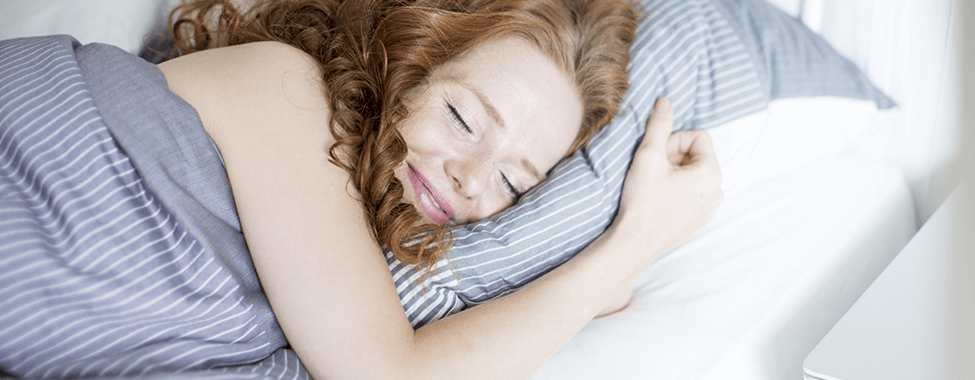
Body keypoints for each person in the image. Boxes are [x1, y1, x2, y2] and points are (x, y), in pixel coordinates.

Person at [0, 0, 721, 378]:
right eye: (463, 117)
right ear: (404, 49)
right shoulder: (283, 84)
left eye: (512, 180)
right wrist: (633, 246)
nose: (472, 180)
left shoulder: (353, 270)